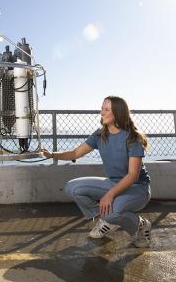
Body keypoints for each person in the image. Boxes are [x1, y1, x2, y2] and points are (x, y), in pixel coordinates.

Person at [43, 95, 152, 247]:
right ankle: (106, 219)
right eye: (102, 109)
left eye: (106, 109)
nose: (102, 112)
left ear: (118, 113)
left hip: (137, 188)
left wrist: (109, 195)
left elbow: (133, 175)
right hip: (112, 183)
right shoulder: (99, 135)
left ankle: (141, 225)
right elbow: (75, 153)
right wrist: (52, 154)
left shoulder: (133, 138)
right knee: (72, 188)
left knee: (114, 211)